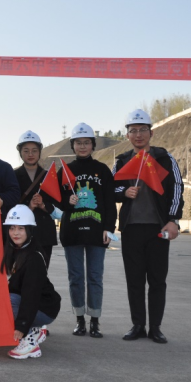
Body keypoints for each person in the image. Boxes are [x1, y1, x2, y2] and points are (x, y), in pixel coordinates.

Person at [114, 109, 184, 344]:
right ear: (127, 135)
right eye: (133, 130)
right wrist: (124, 192)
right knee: (134, 280)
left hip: (158, 228)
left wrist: (173, 220)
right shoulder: (122, 161)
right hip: (131, 228)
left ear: (151, 133)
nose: (138, 135)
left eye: (143, 130)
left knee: (157, 280)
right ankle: (138, 325)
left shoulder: (165, 158)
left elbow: (177, 189)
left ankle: (155, 327)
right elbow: (110, 188)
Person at [59, 123, 116, 338]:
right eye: (78, 143)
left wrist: (109, 228)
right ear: (73, 145)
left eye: (86, 142)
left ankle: (95, 321)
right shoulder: (65, 171)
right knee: (75, 277)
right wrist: (67, 201)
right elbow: (56, 200)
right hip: (72, 231)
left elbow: (109, 203)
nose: (82, 146)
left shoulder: (102, 170)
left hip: (97, 231)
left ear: (93, 145)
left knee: (94, 277)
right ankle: (79, 320)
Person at [1, 205, 61, 359]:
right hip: (33, 303)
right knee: (2, 297)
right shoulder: (15, 249)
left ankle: (29, 343)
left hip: (44, 307)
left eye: (21, 228)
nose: (15, 233)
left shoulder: (34, 257)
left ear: (29, 229)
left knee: (7, 301)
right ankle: (35, 329)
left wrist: (21, 326)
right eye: (12, 228)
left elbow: (31, 295)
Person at [13, 130, 59, 266]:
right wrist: (29, 207)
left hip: (44, 233)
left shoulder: (49, 176)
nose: (30, 154)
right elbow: (11, 204)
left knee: (41, 272)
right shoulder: (13, 175)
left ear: (39, 152)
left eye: (34, 150)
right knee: (20, 272)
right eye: (26, 151)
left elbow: (57, 203)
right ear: (20, 153)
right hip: (21, 233)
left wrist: (43, 205)